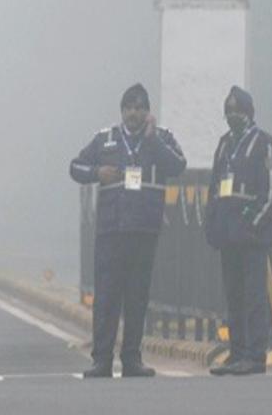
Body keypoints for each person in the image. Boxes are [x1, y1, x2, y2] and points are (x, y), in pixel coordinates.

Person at [70, 83, 186, 378]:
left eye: (140, 107)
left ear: (148, 112)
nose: (134, 113)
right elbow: (74, 167)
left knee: (137, 297)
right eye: (129, 107)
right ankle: (102, 360)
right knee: (107, 298)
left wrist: (152, 141)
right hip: (111, 231)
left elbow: (178, 166)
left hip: (144, 231)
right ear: (122, 111)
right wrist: (98, 173)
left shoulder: (161, 138)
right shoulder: (104, 139)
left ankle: (132, 359)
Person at [205, 86, 272, 376]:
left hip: (252, 237)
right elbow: (215, 186)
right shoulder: (225, 144)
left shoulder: (264, 144)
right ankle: (237, 353)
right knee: (234, 296)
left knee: (254, 297)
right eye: (228, 111)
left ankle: (254, 355)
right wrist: (211, 223)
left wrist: (254, 223)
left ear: (249, 113)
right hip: (227, 235)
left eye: (237, 111)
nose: (232, 116)